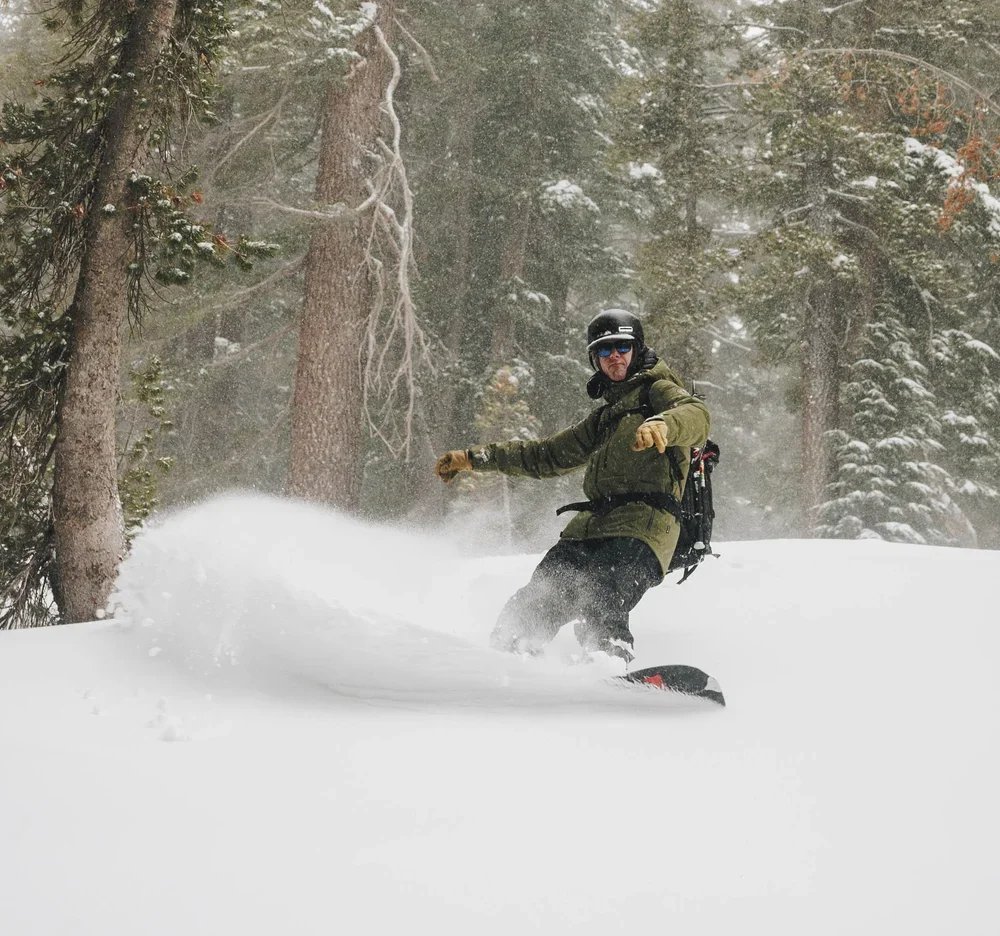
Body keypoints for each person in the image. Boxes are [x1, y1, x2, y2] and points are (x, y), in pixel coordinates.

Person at [434, 309, 710, 663]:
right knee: (535, 601)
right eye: (604, 351)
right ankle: (508, 659)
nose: (614, 357)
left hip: (644, 527)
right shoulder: (605, 417)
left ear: (637, 349)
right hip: (590, 529)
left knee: (602, 595)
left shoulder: (657, 392)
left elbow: (696, 415)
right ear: (594, 359)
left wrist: (664, 426)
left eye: (622, 347)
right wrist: (473, 459)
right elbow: (545, 455)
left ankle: (608, 660)